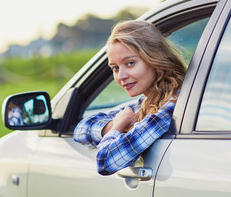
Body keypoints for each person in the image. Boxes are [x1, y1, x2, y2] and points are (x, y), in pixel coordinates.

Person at [74, 20, 187, 176]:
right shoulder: (147, 102)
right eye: (115, 68)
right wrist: (118, 123)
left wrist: (118, 127)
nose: (121, 76)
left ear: (154, 58)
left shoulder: (169, 107)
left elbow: (106, 162)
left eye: (130, 63)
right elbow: (80, 130)